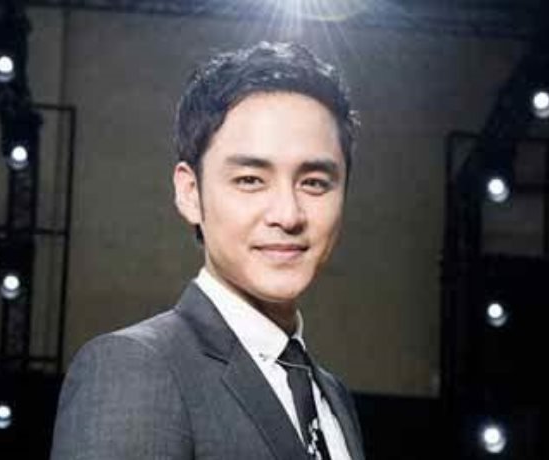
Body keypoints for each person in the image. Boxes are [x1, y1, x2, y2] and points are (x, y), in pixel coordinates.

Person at [50, 41, 365, 460]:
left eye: (314, 183)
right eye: (250, 180)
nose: (288, 215)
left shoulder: (333, 397)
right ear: (190, 192)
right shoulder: (136, 368)